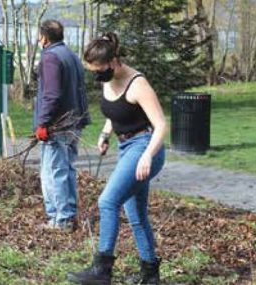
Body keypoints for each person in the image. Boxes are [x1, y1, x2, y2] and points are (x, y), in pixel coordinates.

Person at [66, 32, 166, 285]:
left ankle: (102, 270)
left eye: (99, 70)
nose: (97, 76)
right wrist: (105, 133)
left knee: (107, 202)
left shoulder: (138, 84)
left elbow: (162, 125)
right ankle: (150, 275)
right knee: (136, 215)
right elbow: (116, 111)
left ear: (113, 61)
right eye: (93, 71)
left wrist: (146, 156)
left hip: (145, 147)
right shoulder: (108, 79)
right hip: (125, 148)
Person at [34, 19, 90, 232]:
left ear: (44, 38)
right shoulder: (71, 55)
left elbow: (52, 94)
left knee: (52, 171)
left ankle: (61, 219)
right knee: (67, 169)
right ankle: (68, 214)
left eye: (39, 36)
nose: (39, 40)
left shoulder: (50, 57)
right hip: (74, 122)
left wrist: (43, 122)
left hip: (57, 126)